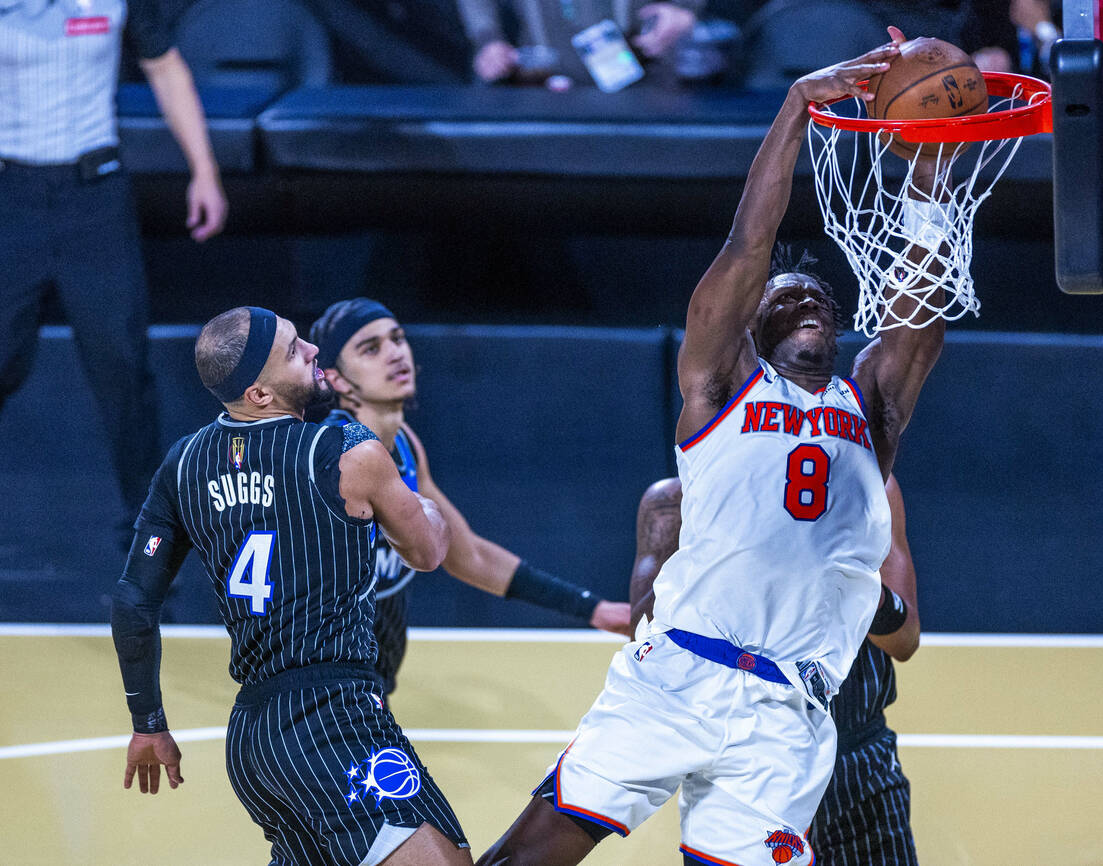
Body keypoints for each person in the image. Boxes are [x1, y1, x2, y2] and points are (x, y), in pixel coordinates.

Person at [478, 33, 946, 865]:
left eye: (821, 297)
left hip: (788, 715)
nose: (807, 295)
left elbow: (919, 303)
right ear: (752, 331)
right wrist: (796, 108)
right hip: (677, 679)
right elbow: (747, 245)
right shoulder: (723, 389)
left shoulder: (868, 408)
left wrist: (931, 163)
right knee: (525, 858)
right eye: (785, 294)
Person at [110, 307, 471, 866]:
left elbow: (134, 601)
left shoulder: (183, 464)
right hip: (333, 719)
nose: (311, 350)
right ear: (258, 394)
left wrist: (147, 725)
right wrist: (418, 498)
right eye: (294, 350)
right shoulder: (345, 450)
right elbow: (428, 551)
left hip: (254, 741)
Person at [308, 298, 631, 701]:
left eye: (397, 339)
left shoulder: (405, 448)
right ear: (337, 379)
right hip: (324, 685)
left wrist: (594, 609)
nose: (395, 353)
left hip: (371, 684)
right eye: (371, 349)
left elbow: (469, 556)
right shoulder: (332, 455)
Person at [0, 0, 227, 542]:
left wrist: (204, 170)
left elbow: (165, 68)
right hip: (11, 198)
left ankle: (148, 534)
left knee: (123, 367)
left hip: (94, 197)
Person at [629, 472, 921, 864]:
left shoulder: (869, 483)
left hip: (858, 765)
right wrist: (727, 542)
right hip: (744, 765)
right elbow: (643, 631)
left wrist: (840, 573)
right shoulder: (679, 497)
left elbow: (905, 641)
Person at [457, 0, 703, 85]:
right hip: (542, 78)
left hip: (642, 72)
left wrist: (683, 10)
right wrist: (488, 39)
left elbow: (683, 14)